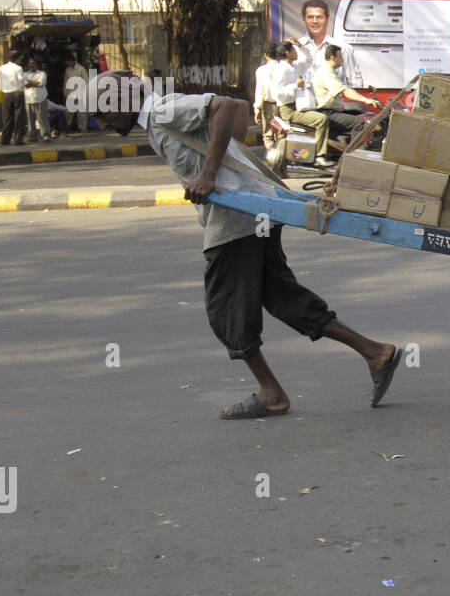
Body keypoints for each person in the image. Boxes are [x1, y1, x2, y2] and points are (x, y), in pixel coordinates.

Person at [94, 71, 402, 417]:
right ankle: (375, 352)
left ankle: (271, 394)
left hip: (236, 222)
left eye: (103, 108)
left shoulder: (162, 109)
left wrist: (210, 173)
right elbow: (239, 107)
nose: (101, 118)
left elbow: (225, 107)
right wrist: (224, 161)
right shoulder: (156, 119)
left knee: (225, 308)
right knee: (283, 297)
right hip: (252, 212)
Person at [253, 42, 281, 147]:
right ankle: (280, 158)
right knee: (281, 134)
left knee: (268, 134)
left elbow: (260, 91)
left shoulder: (261, 70)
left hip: (268, 105)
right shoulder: (283, 68)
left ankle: (272, 159)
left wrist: (257, 109)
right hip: (282, 105)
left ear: (265, 55)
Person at [0, 51, 27, 145]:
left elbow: (0, 81)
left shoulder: (2, 68)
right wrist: (27, 85)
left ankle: (5, 139)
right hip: (17, 93)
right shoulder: (18, 68)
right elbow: (22, 80)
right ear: (17, 59)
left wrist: (1, 95)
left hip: (6, 94)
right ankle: (18, 139)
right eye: (20, 58)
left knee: (7, 117)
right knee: (18, 117)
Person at [23, 56, 50, 142]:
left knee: (42, 118)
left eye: (33, 64)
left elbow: (41, 83)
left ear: (37, 65)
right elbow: (24, 84)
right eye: (30, 64)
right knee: (30, 119)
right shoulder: (25, 74)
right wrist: (34, 83)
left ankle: (45, 135)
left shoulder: (42, 74)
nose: (31, 65)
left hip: (40, 98)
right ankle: (32, 136)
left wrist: (30, 82)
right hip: (28, 98)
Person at [64, 55, 89, 133]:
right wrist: (65, 93)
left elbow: (86, 81)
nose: (67, 63)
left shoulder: (81, 69)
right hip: (70, 94)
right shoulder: (68, 70)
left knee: (81, 112)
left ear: (72, 61)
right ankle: (66, 127)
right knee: (69, 112)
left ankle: (83, 127)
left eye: (68, 61)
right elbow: (65, 82)